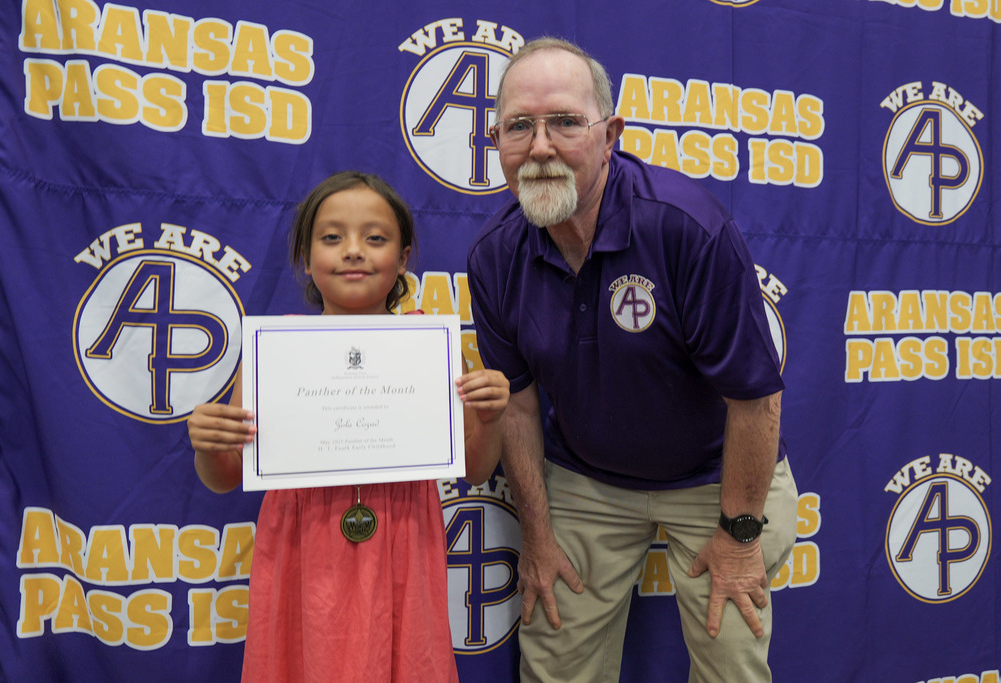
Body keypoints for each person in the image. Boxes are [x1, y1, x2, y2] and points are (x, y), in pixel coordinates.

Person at [466, 38, 799, 683]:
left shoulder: (685, 227)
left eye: (564, 122)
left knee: (732, 661)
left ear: (610, 133)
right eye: (519, 127)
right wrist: (537, 534)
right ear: (496, 141)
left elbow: (754, 399)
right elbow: (519, 402)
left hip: (717, 481)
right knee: (555, 660)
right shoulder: (493, 255)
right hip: (588, 479)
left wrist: (739, 535)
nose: (540, 147)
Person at [189, 170, 510, 682]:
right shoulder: (276, 351)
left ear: (403, 257)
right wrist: (209, 445)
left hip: (404, 536)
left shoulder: (431, 346)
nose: (353, 251)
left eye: (375, 238)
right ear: (305, 256)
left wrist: (491, 417)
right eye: (332, 237)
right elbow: (225, 475)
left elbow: (475, 467)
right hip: (303, 541)